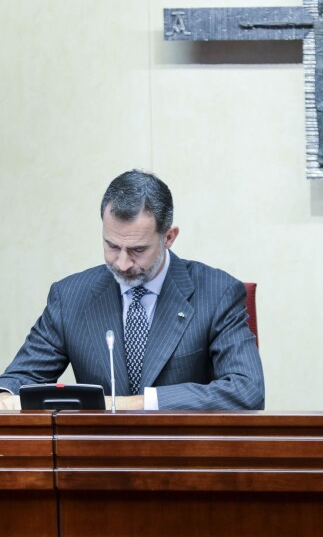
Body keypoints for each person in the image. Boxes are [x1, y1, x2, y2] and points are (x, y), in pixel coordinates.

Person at [0, 170, 265, 410]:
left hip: (185, 453)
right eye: (112, 246)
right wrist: (5, 394)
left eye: (138, 250)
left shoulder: (218, 293)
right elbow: (20, 379)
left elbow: (247, 389)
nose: (122, 263)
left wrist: (142, 402)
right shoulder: (69, 297)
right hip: (97, 456)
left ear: (169, 237)